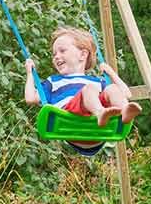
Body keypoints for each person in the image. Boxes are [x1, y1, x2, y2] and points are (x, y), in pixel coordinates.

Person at [25, 26, 142, 156]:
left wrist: (111, 73)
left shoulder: (98, 81)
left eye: (62, 51)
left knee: (112, 89)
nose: (56, 57)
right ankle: (100, 113)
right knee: (89, 89)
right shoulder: (53, 81)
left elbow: (126, 94)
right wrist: (30, 73)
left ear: (83, 55)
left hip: (96, 132)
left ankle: (124, 112)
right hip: (69, 121)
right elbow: (30, 98)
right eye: (54, 54)